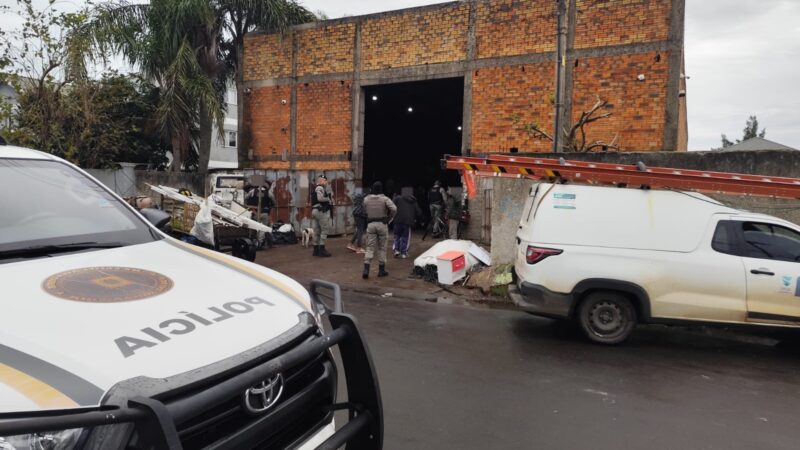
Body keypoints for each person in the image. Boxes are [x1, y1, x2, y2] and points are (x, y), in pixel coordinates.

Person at [363, 181, 397, 279]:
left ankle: (366, 270)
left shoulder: (366, 199)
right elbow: (394, 209)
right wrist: (389, 218)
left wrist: (368, 215)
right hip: (382, 224)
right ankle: (381, 271)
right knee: (382, 248)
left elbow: (363, 208)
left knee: (369, 247)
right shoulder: (385, 199)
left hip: (370, 224)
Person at [392, 187, 422, 258]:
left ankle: (396, 250)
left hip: (397, 220)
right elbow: (418, 211)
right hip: (407, 222)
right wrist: (421, 218)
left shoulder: (397, 198)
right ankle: (404, 253)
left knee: (397, 235)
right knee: (405, 237)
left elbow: (391, 206)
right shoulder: (413, 200)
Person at [245, 182, 275, 248]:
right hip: (265, 213)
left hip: (255, 213)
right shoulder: (269, 193)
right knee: (264, 228)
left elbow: (246, 198)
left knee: (254, 228)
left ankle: (263, 242)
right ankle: (260, 243)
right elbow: (274, 203)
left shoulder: (252, 191)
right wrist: (270, 215)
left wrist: (250, 206)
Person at [310, 174, 333, 257]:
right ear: (321, 180)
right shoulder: (320, 188)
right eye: (325, 180)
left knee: (317, 231)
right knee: (324, 230)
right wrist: (328, 200)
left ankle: (316, 250)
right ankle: (322, 249)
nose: (326, 182)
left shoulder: (316, 188)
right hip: (321, 211)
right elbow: (320, 199)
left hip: (315, 210)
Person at [348, 186, 369, 254]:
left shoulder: (355, 196)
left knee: (359, 230)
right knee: (360, 230)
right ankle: (359, 248)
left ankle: (350, 244)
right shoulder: (361, 197)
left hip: (356, 213)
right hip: (360, 214)